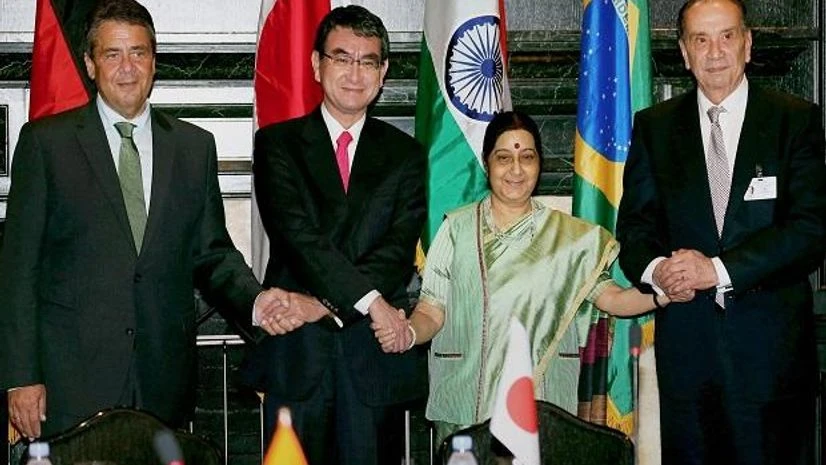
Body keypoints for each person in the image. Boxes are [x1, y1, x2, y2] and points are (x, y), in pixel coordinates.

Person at [0, 0, 291, 439]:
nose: (127, 68)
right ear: (90, 64)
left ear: (154, 63)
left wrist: (255, 300)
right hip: (71, 382)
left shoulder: (194, 148)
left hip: (162, 379)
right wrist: (21, 376)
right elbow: (19, 270)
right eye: (112, 54)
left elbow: (212, 253)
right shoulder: (46, 144)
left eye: (138, 53)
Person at [374, 111, 673, 442]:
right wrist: (410, 332)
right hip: (467, 403)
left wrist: (664, 290)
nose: (516, 169)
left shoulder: (570, 239)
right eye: (504, 158)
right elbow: (432, 310)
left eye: (526, 157)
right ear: (487, 165)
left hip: (540, 403)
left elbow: (614, 299)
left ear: (539, 165)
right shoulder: (456, 229)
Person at [616, 0, 826, 463]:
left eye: (727, 36)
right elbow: (633, 231)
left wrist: (716, 270)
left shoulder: (794, 120)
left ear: (748, 44)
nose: (715, 52)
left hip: (771, 368)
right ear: (684, 53)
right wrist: (659, 271)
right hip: (687, 369)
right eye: (701, 39)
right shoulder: (654, 128)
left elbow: (810, 231)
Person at [244, 5, 427, 465]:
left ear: (383, 72)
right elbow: (298, 240)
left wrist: (318, 306)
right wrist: (369, 301)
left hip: (370, 362)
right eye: (342, 57)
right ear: (316, 64)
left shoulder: (405, 154)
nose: (354, 73)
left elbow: (397, 251)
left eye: (368, 61)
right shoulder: (277, 144)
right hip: (298, 361)